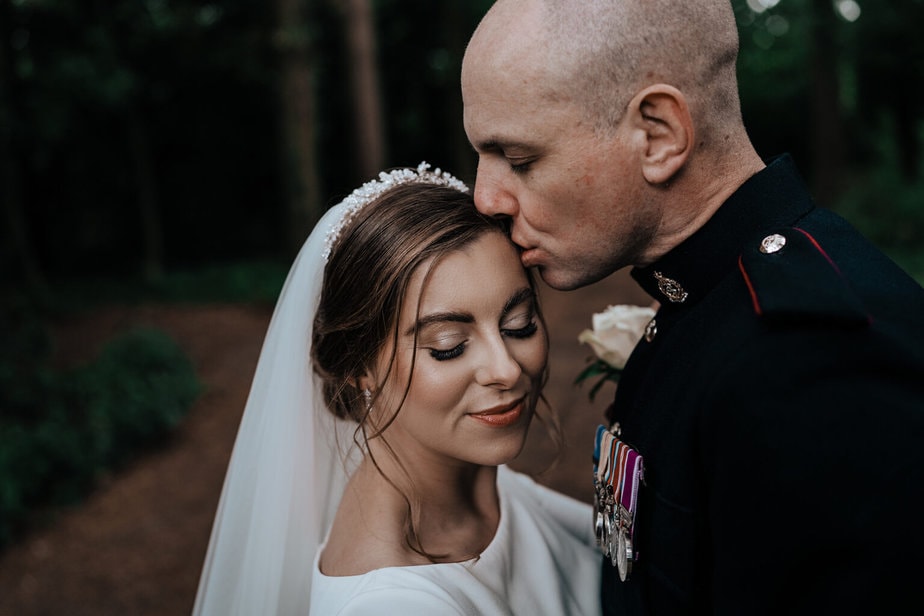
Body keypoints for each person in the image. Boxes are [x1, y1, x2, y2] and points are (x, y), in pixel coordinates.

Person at [461, 1, 924, 615]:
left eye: (520, 160)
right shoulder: (705, 301)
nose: (486, 197)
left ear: (658, 136)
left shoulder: (817, 362)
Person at [192, 163, 602, 615]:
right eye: (448, 346)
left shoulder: (484, 482)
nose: (506, 369)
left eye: (518, 325)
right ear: (358, 366)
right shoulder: (392, 604)